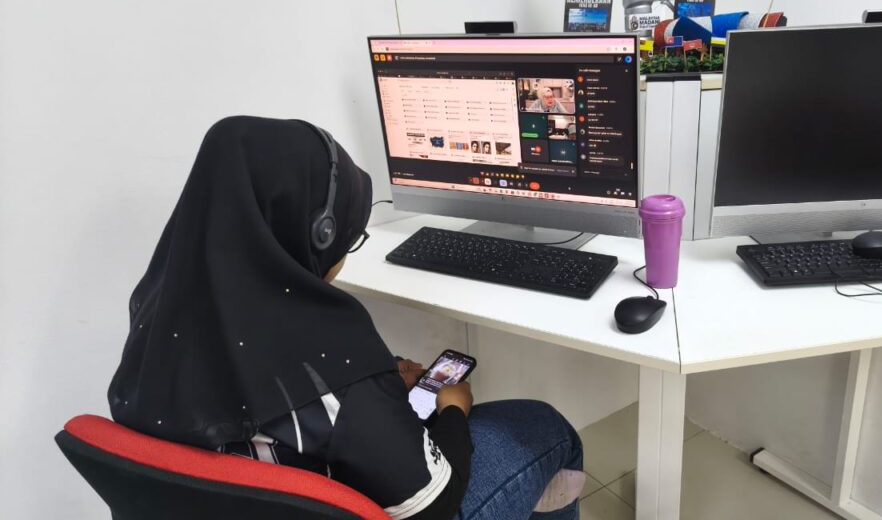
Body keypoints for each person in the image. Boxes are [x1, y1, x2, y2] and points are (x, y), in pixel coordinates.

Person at [107, 116, 585, 520]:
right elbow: (434, 505)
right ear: (319, 233)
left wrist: (378, 383)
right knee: (546, 427)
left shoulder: (154, 313)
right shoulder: (336, 356)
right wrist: (453, 411)